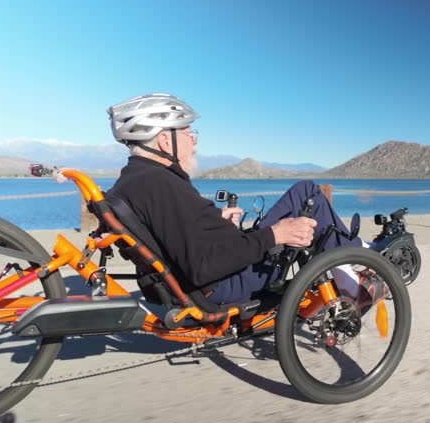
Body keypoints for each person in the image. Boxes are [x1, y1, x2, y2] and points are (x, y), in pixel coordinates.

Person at [106, 93, 375, 306]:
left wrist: (213, 220)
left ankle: (359, 255)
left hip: (210, 275)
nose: (194, 143)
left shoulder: (134, 181)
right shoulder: (161, 183)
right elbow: (203, 266)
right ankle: (358, 277)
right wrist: (276, 235)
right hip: (227, 282)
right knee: (307, 194)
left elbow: (179, 231)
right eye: (190, 134)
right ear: (165, 140)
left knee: (303, 194)